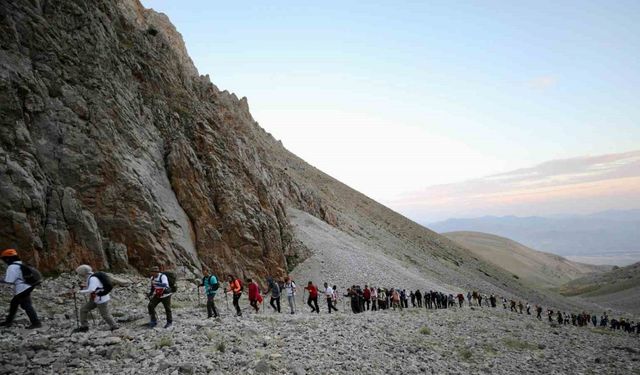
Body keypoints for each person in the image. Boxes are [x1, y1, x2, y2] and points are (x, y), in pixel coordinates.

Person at [0, 249, 41, 329]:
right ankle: (8, 321)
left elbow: (9, 281)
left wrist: (0, 280)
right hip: (29, 285)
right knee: (14, 303)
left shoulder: (12, 267)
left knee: (25, 305)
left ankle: (36, 323)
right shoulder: (20, 263)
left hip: (22, 288)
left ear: (8, 259)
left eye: (4, 259)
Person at [72, 265, 118, 333]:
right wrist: (84, 287)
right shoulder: (92, 276)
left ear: (83, 273)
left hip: (100, 299)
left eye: (80, 274)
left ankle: (115, 326)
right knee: (83, 309)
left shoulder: (92, 279)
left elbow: (91, 290)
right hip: (96, 298)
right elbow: (94, 287)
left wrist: (78, 291)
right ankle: (84, 326)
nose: (79, 275)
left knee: (105, 314)